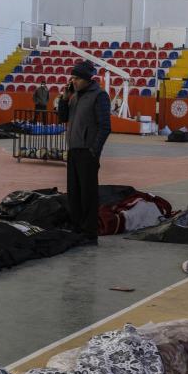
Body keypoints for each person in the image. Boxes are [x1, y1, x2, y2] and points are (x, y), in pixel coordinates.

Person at [57, 60, 111, 245]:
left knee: (88, 194)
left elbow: (105, 127)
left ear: (88, 79)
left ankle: (89, 233)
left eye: (77, 78)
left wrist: (94, 150)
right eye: (72, 77)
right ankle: (77, 228)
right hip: (73, 149)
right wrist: (64, 98)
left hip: (87, 152)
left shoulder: (99, 96)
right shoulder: (75, 96)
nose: (74, 81)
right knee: (74, 193)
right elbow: (62, 117)